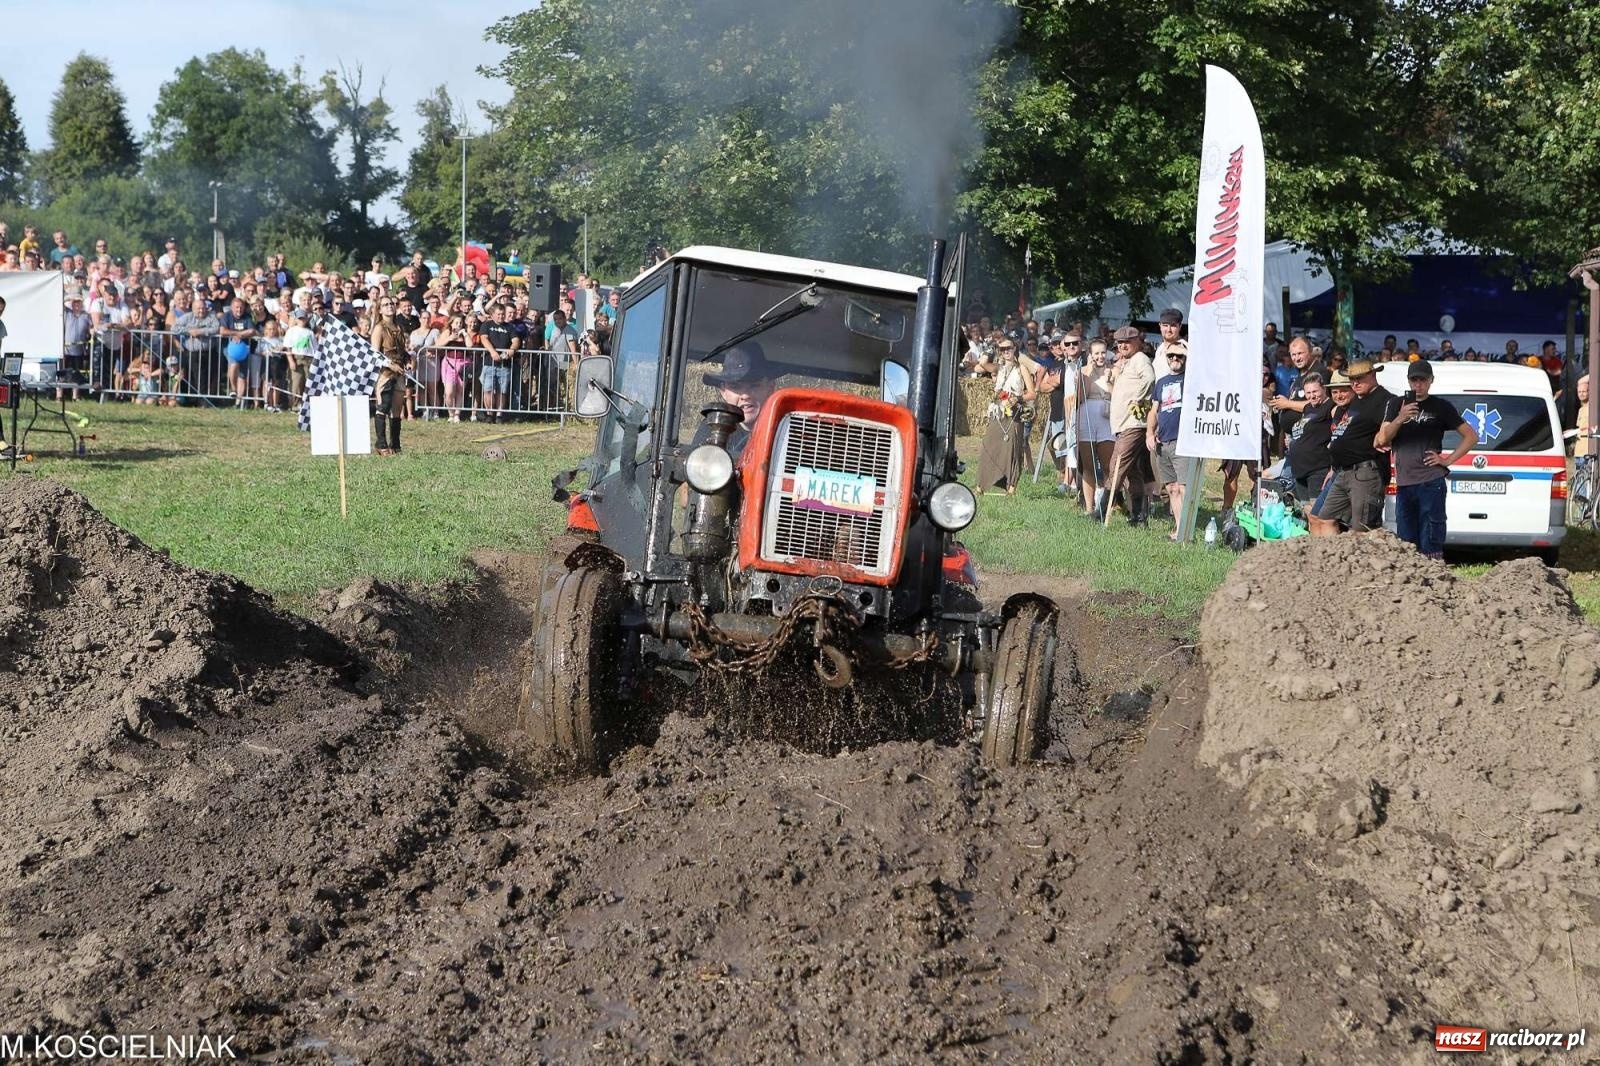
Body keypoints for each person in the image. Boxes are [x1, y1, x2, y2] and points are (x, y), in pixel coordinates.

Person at [1374, 360, 1478, 558]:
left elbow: (1471, 436)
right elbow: (1381, 439)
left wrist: (1447, 460)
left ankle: (1434, 573)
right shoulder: (1396, 404)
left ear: (1431, 380)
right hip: (1404, 483)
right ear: (1408, 381)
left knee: (1431, 541)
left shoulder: (1441, 406)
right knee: (1406, 543)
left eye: (1423, 380)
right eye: (1414, 380)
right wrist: (1401, 417)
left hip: (1431, 482)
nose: (1418, 385)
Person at [1310, 358, 1394, 534]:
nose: (1355, 383)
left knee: (1362, 528)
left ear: (1373, 375)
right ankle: (1331, 553)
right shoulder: (1357, 400)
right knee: (1324, 518)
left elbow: (1389, 430)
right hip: (1343, 470)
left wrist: (1384, 435)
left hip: (1365, 470)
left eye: (1360, 378)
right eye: (1352, 379)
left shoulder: (1385, 399)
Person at [1103, 325, 1155, 524]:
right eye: (1120, 342)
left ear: (1137, 342)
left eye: (1128, 342)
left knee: (1116, 465)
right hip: (1124, 424)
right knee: (1132, 472)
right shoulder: (1127, 362)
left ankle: (1102, 509)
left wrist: (1137, 398)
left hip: (1133, 424)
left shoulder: (1140, 358)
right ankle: (1138, 516)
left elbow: (1149, 378)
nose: (1123, 345)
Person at [695, 343, 777, 462]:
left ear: (770, 388)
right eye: (735, 386)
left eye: (754, 386)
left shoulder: (785, 432)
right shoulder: (712, 427)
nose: (745, 395)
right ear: (723, 391)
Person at [976, 339, 1035, 496]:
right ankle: (981, 485)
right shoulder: (998, 367)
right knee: (989, 445)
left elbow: (1032, 393)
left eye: (1008, 348)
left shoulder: (1021, 368)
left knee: (1012, 449)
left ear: (1015, 348)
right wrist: (992, 347)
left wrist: (1018, 398)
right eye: (1002, 349)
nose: (1006, 351)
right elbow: (982, 363)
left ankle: (1011, 488)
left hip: (1014, 411)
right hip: (998, 410)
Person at [1146, 340, 1187, 537]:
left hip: (1183, 441)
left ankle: (1186, 530)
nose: (1175, 359)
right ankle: (1179, 529)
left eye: (1180, 356)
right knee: (1171, 488)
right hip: (1163, 441)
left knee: (1184, 487)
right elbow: (1154, 410)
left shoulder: (1192, 380)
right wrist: (1149, 432)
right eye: (1171, 356)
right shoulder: (1161, 382)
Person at [1075, 338, 1116, 516]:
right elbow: (1080, 397)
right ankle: (1089, 507)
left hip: (1106, 415)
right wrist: (1089, 374)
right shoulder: (1083, 371)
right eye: (1096, 353)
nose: (1100, 356)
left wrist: (1109, 381)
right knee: (1088, 464)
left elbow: (1117, 395)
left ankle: (1106, 507)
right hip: (1086, 415)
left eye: (1103, 352)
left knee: (1107, 464)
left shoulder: (1113, 370)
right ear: (1090, 355)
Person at [1286, 372, 1335, 512]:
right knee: (1306, 511)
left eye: (1315, 391)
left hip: (1317, 469)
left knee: (1316, 512)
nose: (1312, 396)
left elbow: (1338, 433)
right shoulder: (1308, 408)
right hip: (1300, 470)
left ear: (1324, 389)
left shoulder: (1331, 407)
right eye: (1308, 393)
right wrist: (1293, 441)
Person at [370, 298, 409, 455]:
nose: (389, 307)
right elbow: (375, 354)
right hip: (385, 373)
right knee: (383, 406)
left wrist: (409, 360)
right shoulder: (379, 328)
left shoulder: (399, 327)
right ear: (380, 310)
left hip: (399, 372)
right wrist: (390, 365)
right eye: (385, 305)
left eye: (391, 304)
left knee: (397, 409)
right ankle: (381, 444)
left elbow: (402, 350)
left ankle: (395, 444)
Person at [478, 302, 519, 422]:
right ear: (493, 314)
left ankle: (499, 414)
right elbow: (484, 338)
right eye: (498, 314)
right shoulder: (487, 325)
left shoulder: (509, 327)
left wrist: (512, 350)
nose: (501, 316)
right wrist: (492, 352)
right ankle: (490, 414)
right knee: (488, 389)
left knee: (502, 390)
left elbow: (516, 340)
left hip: (504, 364)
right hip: (489, 363)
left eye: (502, 314)